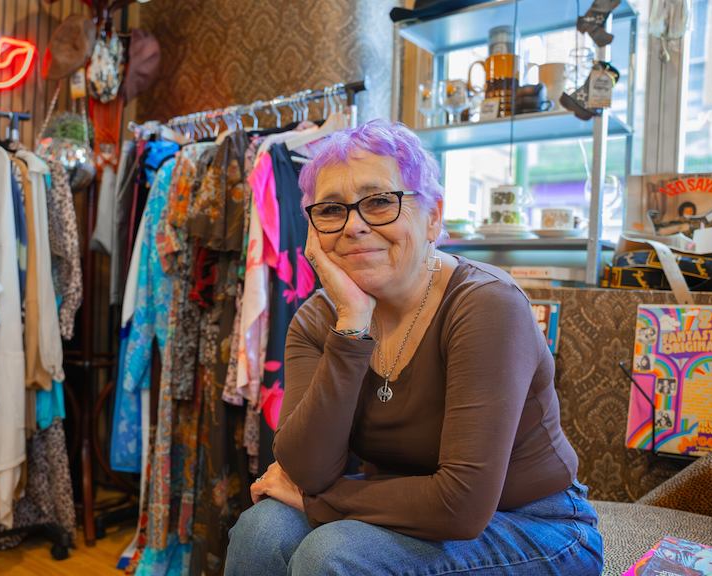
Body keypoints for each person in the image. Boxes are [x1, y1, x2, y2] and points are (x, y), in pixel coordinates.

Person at [225, 120, 603, 575]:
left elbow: (460, 506)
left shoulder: (487, 305)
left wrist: (321, 501)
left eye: (380, 201)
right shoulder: (319, 318)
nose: (353, 226)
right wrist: (351, 327)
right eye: (330, 210)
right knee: (262, 528)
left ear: (434, 216)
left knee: (332, 554)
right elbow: (307, 468)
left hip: (537, 527)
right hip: (401, 509)